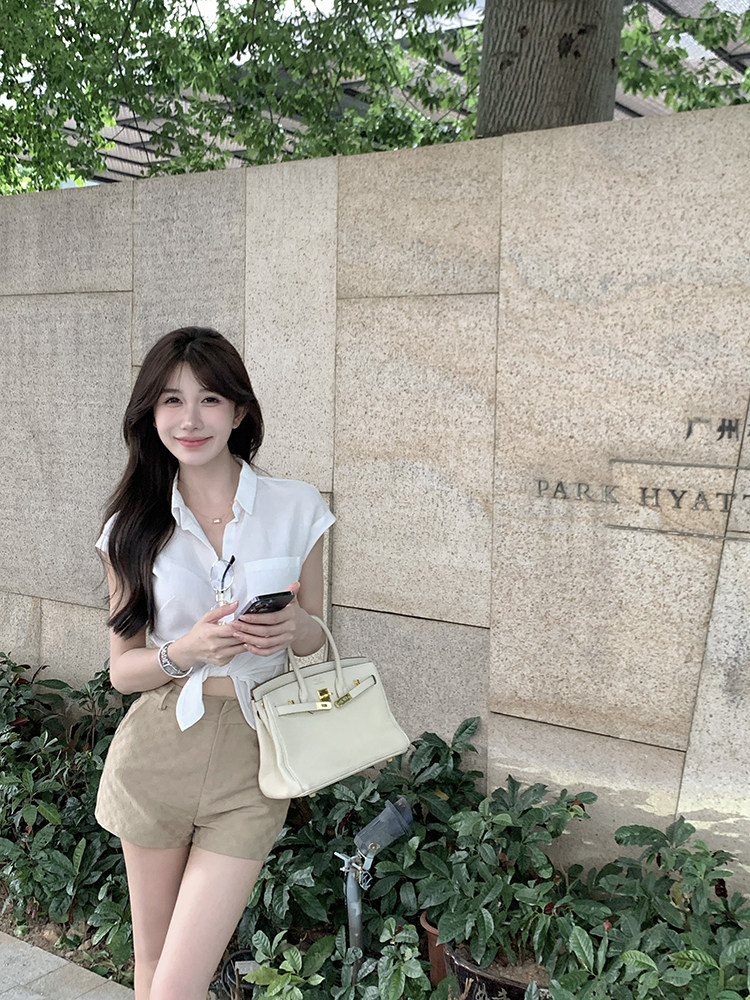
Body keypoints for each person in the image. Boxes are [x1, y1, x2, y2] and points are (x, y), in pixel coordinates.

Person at [95, 327, 334, 1000]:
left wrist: (294, 626)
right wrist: (185, 651)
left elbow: (316, 639)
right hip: (158, 750)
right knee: (152, 968)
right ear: (151, 414)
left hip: (253, 758)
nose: (190, 419)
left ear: (239, 411)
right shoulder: (130, 528)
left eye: (209, 399)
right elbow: (123, 671)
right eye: (171, 400)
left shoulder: (296, 507)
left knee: (178, 983)